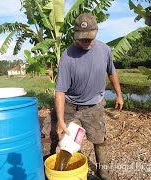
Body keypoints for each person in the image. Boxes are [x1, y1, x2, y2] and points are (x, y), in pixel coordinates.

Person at [55, 13, 123, 179]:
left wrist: (119, 95)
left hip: (94, 105)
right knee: (56, 137)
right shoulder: (67, 56)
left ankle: (104, 173)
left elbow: (112, 73)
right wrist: (61, 121)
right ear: (75, 35)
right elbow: (60, 91)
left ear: (97, 31)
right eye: (82, 38)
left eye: (89, 38)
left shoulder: (105, 50)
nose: (86, 42)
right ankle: (56, 171)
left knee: (99, 139)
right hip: (70, 103)